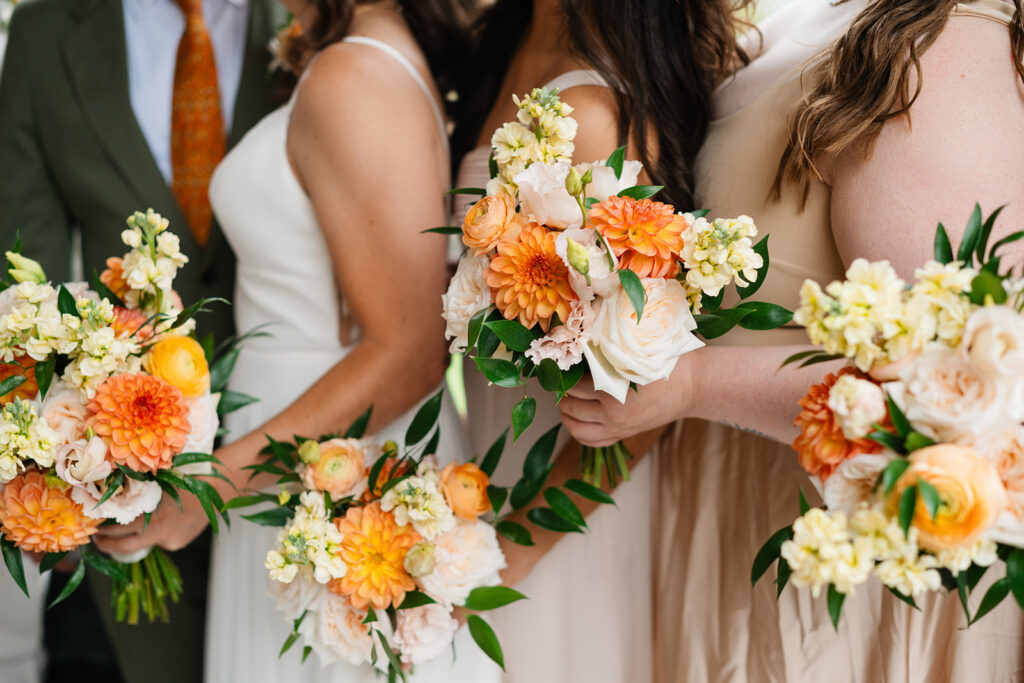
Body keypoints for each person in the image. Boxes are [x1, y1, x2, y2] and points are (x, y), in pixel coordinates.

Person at [558, 0, 1024, 680]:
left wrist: (688, 382)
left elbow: (938, 397)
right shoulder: (804, 23)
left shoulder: (945, 49)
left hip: (855, 591)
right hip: (727, 528)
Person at [91, 1, 503, 680]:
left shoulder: (356, 75)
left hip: (330, 476)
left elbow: (410, 352)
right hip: (294, 453)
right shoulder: (359, 54)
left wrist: (212, 487)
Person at [450, 0, 747, 679]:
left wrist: (509, 553)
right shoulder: (506, 42)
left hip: (559, 500)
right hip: (481, 460)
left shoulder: (592, 115)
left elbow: (644, 382)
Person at [0, 0, 287, 680]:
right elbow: (20, 286)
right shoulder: (47, 35)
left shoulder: (315, 22)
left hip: (292, 457)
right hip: (110, 487)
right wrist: (54, 486)